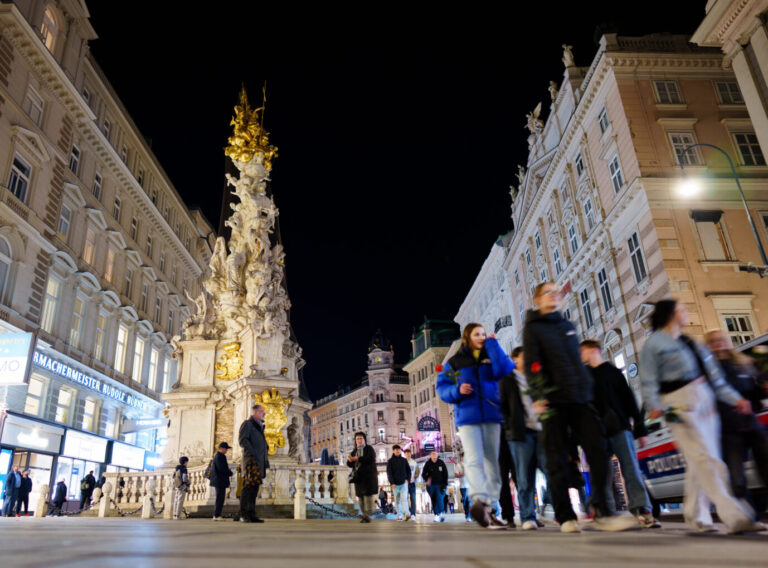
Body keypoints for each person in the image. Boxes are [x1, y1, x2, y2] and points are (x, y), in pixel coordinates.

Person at [640, 299, 764, 534]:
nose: (686, 312)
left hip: (704, 401)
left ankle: (697, 514)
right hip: (676, 405)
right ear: (671, 314)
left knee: (701, 459)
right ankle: (735, 514)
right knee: (705, 457)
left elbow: (714, 378)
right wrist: (655, 404)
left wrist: (734, 398)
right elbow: (647, 379)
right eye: (682, 309)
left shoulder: (690, 342)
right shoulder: (654, 344)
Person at [523, 282, 636, 533]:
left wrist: (587, 391)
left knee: (599, 449)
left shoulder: (567, 326)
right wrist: (539, 396)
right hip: (552, 400)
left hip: (580, 399)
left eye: (556, 292)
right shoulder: (533, 329)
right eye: (547, 293)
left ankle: (600, 509)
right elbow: (533, 364)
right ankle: (565, 516)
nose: (554, 296)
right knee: (556, 459)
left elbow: (577, 362)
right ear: (538, 299)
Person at [437, 324, 515, 529]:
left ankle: (491, 508)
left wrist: (494, 345)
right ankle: (479, 500)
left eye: (483, 334)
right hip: (468, 416)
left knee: (493, 462)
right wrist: (457, 390)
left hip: (492, 414)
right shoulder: (455, 362)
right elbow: (442, 388)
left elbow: (505, 369)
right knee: (473, 458)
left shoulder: (491, 355)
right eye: (476, 334)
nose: (481, 337)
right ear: (467, 337)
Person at [580, 339, 659, 528]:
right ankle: (603, 510)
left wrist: (640, 429)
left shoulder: (613, 372)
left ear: (593, 351)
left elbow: (629, 400)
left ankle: (642, 510)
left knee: (630, 468)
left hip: (620, 428)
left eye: (582, 351)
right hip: (597, 432)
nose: (580, 355)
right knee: (601, 473)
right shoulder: (584, 376)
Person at [705, 329, 768, 511]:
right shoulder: (709, 371)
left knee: (765, 462)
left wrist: (761, 390)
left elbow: (753, 394)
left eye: (721, 340)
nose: (718, 343)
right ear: (709, 346)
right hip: (727, 429)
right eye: (713, 341)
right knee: (736, 475)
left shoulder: (742, 364)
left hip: (750, 424)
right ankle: (745, 514)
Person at [500, 346, 547, 530]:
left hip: (531, 431)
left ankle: (535, 513)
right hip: (512, 433)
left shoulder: (530, 379)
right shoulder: (504, 380)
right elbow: (502, 407)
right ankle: (519, 516)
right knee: (515, 477)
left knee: (536, 473)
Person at [238, 404, 270, 523]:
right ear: (255, 412)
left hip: (259, 463)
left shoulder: (260, 428)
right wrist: (254, 453)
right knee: (248, 488)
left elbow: (264, 448)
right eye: (262, 411)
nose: (264, 414)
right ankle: (243, 514)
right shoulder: (248, 424)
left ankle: (251, 514)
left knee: (254, 488)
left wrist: (266, 463)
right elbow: (243, 440)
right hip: (251, 461)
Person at [347, 431, 378, 523]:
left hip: (368, 476)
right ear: (355, 441)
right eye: (357, 439)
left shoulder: (369, 449)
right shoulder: (354, 451)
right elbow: (349, 464)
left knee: (368, 496)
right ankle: (364, 514)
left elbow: (370, 458)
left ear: (364, 440)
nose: (359, 440)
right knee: (360, 496)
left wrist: (358, 459)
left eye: (361, 439)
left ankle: (367, 515)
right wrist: (350, 461)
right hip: (358, 477)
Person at [421, 450, 449, 522]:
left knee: (439, 498)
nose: (434, 455)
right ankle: (436, 515)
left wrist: (445, 484)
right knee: (433, 500)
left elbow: (445, 474)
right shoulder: (427, 464)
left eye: (435, 454)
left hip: (440, 484)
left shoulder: (441, 463)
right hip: (431, 485)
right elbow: (423, 474)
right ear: (430, 455)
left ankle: (442, 512)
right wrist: (427, 479)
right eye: (433, 454)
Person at [386, 444, 412, 521]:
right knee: (397, 500)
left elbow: (408, 471)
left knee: (404, 498)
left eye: (399, 449)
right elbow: (389, 473)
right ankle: (399, 515)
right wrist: (392, 483)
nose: (397, 451)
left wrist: (407, 479)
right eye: (396, 449)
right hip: (395, 485)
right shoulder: (390, 461)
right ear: (393, 451)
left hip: (403, 484)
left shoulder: (404, 460)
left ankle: (407, 514)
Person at [210, 442, 234, 521]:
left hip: (218, 480)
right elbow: (222, 468)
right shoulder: (220, 456)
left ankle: (217, 514)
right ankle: (217, 515)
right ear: (221, 448)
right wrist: (229, 472)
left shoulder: (217, 456)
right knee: (220, 498)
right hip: (219, 480)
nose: (226, 450)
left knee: (220, 497)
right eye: (225, 448)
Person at [454, 452, 471, 522]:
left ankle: (469, 515)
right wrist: (462, 474)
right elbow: (456, 475)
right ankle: (467, 514)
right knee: (466, 501)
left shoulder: (471, 464)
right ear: (462, 457)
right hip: (463, 486)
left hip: (471, 486)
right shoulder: (459, 465)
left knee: (470, 501)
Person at [404, 448, 419, 517]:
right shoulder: (402, 462)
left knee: (413, 498)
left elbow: (417, 472)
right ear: (404, 455)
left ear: (410, 454)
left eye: (409, 454)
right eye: (406, 454)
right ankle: (408, 512)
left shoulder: (414, 462)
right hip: (404, 484)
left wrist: (415, 478)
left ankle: (413, 513)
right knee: (405, 498)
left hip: (412, 483)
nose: (408, 455)